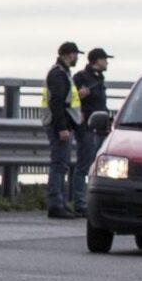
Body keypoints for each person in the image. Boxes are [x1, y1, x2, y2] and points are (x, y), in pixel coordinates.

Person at [45, 40, 86, 219]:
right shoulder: (58, 74)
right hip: (58, 126)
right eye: (75, 54)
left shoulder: (64, 73)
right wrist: (62, 127)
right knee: (59, 164)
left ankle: (60, 203)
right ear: (69, 54)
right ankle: (56, 205)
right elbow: (57, 102)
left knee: (61, 164)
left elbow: (67, 100)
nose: (76, 57)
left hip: (63, 125)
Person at [78, 48, 113, 161]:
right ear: (98, 61)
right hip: (88, 128)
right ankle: (80, 179)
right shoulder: (81, 77)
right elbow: (72, 99)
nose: (107, 62)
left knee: (96, 161)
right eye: (105, 59)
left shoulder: (99, 78)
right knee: (85, 162)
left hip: (101, 128)